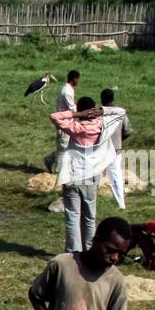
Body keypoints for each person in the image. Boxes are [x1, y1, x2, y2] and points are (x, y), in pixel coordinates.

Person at [50, 97, 105, 252]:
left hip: (72, 176)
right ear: (92, 109)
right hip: (91, 176)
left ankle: (73, 251)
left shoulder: (75, 127)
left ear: (81, 110)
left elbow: (54, 116)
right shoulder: (101, 125)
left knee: (73, 216)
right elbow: (120, 112)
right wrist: (100, 112)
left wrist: (76, 114)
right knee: (89, 217)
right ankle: (89, 250)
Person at [100, 88, 132, 208]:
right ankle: (121, 204)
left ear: (102, 99)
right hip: (116, 148)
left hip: (101, 149)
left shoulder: (100, 113)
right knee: (116, 176)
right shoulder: (120, 113)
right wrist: (119, 140)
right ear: (113, 99)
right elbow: (128, 131)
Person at [45, 69, 80, 173]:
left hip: (67, 122)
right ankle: (57, 172)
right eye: (78, 79)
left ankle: (49, 159)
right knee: (63, 148)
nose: (79, 81)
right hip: (64, 123)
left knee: (65, 147)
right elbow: (73, 109)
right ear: (74, 79)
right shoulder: (67, 91)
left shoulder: (66, 89)